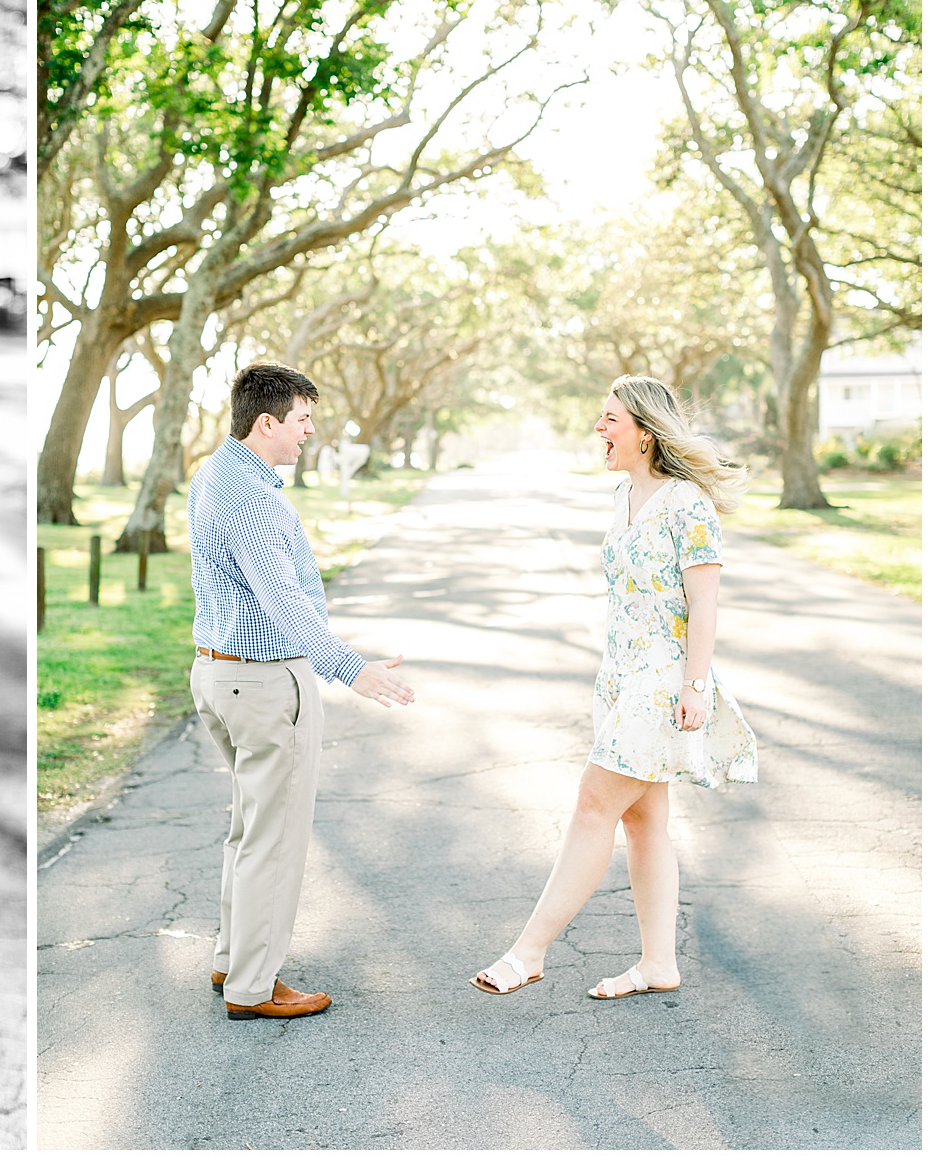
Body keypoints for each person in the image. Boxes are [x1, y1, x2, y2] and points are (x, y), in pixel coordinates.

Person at [471, 374, 757, 999]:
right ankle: (659, 964)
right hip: (621, 680)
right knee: (644, 821)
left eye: (610, 420)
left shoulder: (687, 505)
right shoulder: (626, 496)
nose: (598, 430)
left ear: (646, 435)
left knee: (594, 803)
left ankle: (529, 952)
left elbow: (704, 604)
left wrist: (696, 686)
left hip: (662, 681)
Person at [187, 362, 416, 1021]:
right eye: (302, 420)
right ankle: (253, 988)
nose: (310, 431)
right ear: (267, 424)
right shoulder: (252, 499)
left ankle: (232, 960)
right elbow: (282, 600)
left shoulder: (219, 474)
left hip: (221, 674)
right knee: (274, 839)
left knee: (248, 829)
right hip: (262, 683)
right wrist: (350, 668)